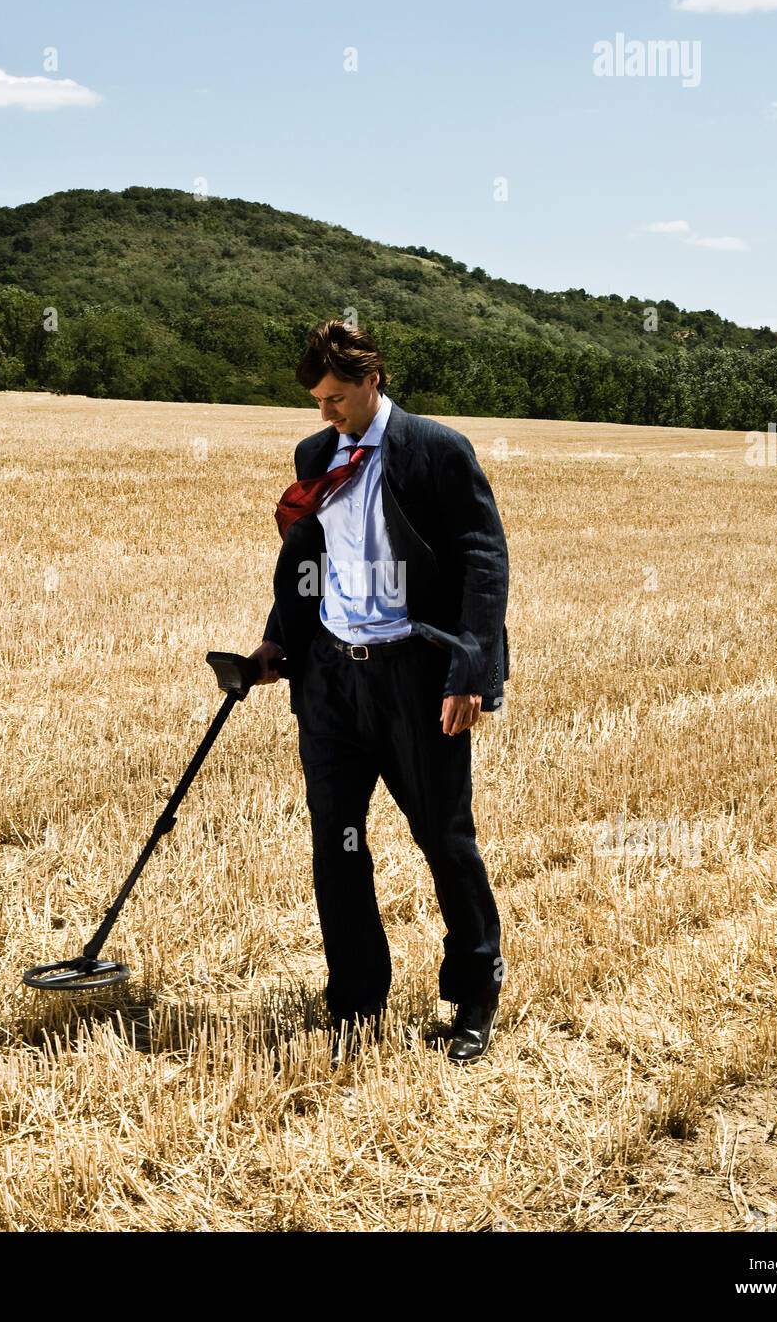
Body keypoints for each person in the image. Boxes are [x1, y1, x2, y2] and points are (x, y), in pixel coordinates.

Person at [249, 321, 510, 1066]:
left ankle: (472, 995)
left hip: (414, 674)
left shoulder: (434, 449)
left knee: (443, 838)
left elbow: (481, 563)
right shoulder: (316, 454)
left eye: (336, 398)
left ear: (372, 381)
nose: (326, 413)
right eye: (317, 401)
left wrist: (470, 672)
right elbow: (302, 559)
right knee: (337, 843)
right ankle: (356, 1002)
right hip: (331, 678)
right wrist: (277, 640)